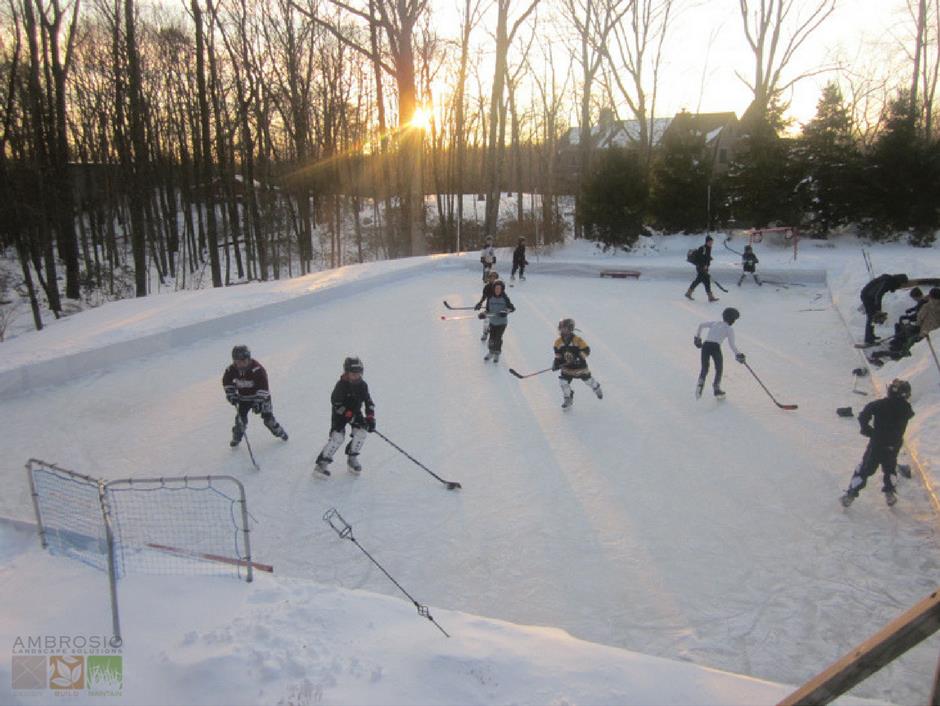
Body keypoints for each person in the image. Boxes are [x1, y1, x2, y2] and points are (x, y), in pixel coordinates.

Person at [841, 378, 914, 508]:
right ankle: (890, 493)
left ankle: (851, 494)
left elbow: (864, 415)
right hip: (893, 445)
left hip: (877, 443)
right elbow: (908, 414)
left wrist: (867, 430)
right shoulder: (907, 409)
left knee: (865, 469)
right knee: (890, 468)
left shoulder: (879, 404)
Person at [314, 357, 376, 477]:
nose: (356, 376)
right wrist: (349, 416)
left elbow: (369, 402)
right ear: (347, 372)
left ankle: (352, 458)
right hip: (340, 415)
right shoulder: (341, 386)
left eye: (359, 373)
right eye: (353, 374)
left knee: (362, 433)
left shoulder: (362, 385)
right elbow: (336, 404)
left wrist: (370, 418)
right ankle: (322, 463)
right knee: (337, 437)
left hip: (355, 412)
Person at [222, 345, 288, 447]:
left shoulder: (258, 370)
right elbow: (227, 383)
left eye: (243, 361)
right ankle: (236, 438)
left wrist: (259, 402)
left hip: (262, 398)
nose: (240, 364)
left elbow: (264, 388)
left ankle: (280, 432)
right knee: (240, 421)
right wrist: (231, 395)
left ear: (248, 359)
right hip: (243, 399)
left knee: (268, 420)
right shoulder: (230, 370)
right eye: (237, 361)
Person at [694, 307, 745, 398]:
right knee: (719, 368)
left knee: (705, 367)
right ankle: (716, 388)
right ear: (732, 319)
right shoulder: (729, 329)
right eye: (734, 319)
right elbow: (732, 345)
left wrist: (697, 338)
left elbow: (701, 325)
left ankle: (700, 383)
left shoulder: (715, 323)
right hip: (715, 347)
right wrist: (738, 354)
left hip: (705, 346)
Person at [552, 318, 603, 409]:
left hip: (580, 368)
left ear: (570, 328)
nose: (562, 329)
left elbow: (586, 350)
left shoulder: (577, 340)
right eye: (561, 327)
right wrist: (556, 363)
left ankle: (596, 387)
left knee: (588, 381)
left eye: (564, 328)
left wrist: (580, 357)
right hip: (567, 368)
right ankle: (568, 398)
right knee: (563, 382)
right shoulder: (558, 342)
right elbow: (558, 356)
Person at [860, 273, 909, 344]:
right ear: (899, 281)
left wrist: (877, 309)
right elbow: (878, 295)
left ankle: (871, 335)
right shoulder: (887, 282)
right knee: (871, 316)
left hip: (871, 296)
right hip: (867, 296)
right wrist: (878, 309)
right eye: (902, 284)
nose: (901, 286)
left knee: (873, 315)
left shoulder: (889, 281)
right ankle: (868, 339)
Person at [478, 279, 514, 362]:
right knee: (491, 339)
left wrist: (505, 312)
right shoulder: (490, 298)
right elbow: (487, 310)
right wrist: (483, 314)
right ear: (494, 289)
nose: (497, 290)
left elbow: (512, 308)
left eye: (499, 288)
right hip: (492, 322)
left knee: (497, 338)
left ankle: (497, 352)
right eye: (496, 288)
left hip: (502, 323)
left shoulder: (505, 298)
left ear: (502, 289)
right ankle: (491, 352)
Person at [685, 235, 719, 302]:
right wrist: (704, 265)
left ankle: (689, 293)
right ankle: (689, 293)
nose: (711, 243)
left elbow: (705, 257)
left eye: (712, 242)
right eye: (710, 242)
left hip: (704, 268)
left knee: (704, 281)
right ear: (707, 242)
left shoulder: (708, 248)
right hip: (701, 268)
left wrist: (709, 259)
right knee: (701, 281)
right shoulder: (703, 248)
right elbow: (699, 257)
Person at [475, 270, 500, 342]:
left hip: (497, 308)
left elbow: (503, 298)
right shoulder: (487, 287)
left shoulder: (499, 287)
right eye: (491, 278)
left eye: (494, 278)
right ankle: (485, 333)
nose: (493, 279)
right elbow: (484, 296)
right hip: (489, 307)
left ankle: (493, 336)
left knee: (495, 323)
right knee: (486, 321)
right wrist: (480, 303)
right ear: (489, 278)